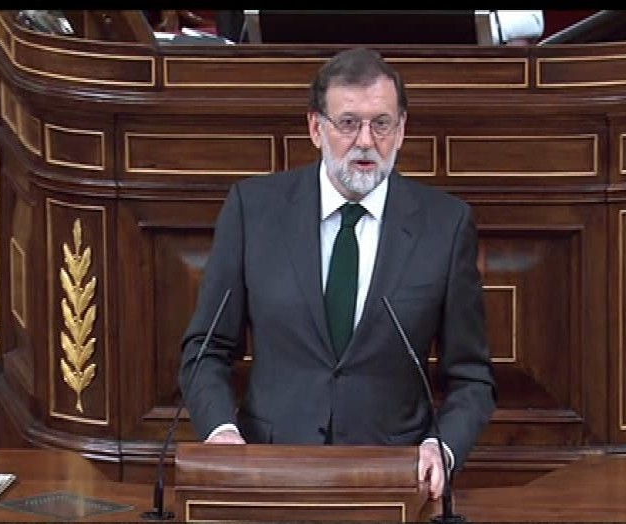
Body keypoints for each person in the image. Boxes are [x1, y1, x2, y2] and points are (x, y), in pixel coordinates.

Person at [179, 47, 496, 500]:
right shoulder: (254, 211)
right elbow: (206, 349)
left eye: (381, 123)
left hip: (392, 478)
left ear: (401, 130)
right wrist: (221, 431)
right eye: (348, 123)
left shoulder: (445, 225)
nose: (365, 141)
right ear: (316, 128)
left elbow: (471, 376)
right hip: (270, 472)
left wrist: (441, 446)